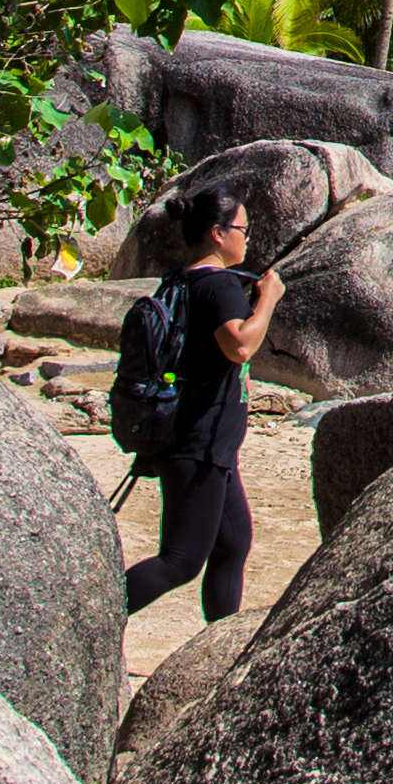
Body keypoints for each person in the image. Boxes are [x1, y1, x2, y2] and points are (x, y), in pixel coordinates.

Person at [121, 204, 282, 627]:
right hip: (199, 440)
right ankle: (91, 620)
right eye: (243, 228)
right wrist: (268, 300)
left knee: (232, 543)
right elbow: (240, 346)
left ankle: (221, 647)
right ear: (217, 232)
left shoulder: (181, 281)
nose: (247, 237)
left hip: (202, 439)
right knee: (180, 560)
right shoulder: (219, 285)